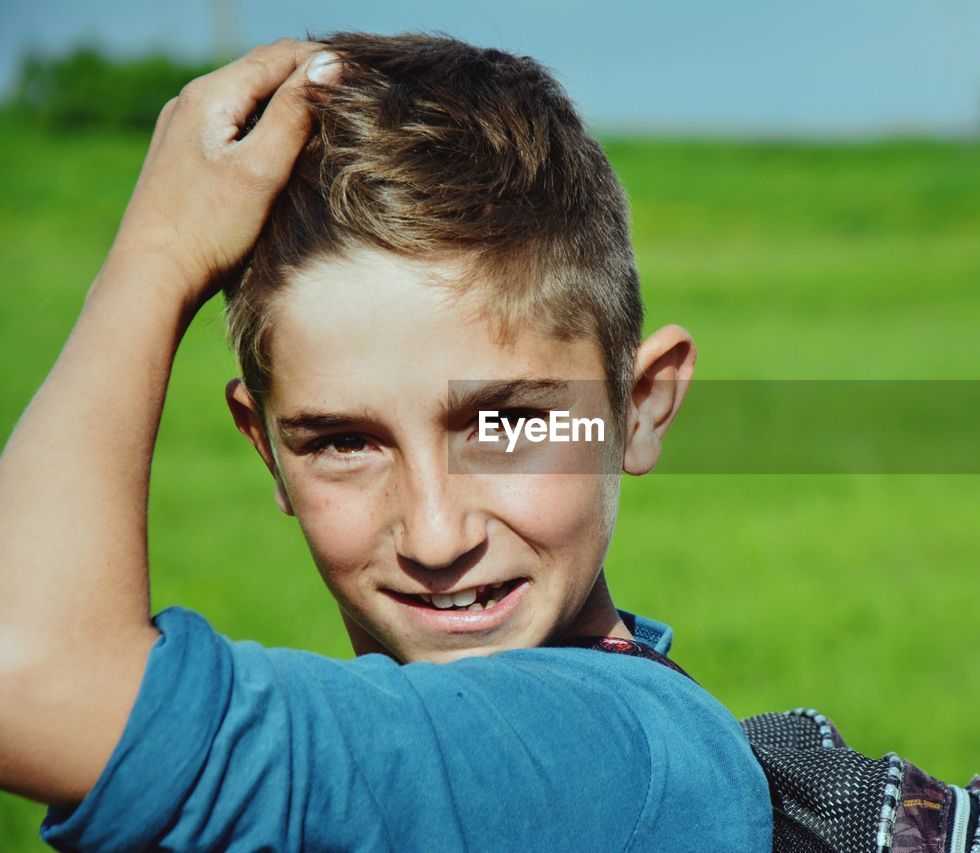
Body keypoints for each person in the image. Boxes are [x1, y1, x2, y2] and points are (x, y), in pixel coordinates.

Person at [0, 32, 774, 849]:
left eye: (507, 424)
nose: (437, 536)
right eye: (342, 442)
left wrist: (158, 255)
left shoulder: (593, 752)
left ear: (640, 406)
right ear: (264, 447)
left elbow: (26, 672)